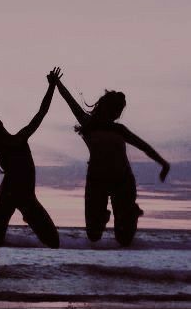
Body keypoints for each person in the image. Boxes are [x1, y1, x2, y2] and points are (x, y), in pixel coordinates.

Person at [55, 73, 170, 246]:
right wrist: (57, 83)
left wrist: (163, 164)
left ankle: (131, 213)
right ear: (105, 108)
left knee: (123, 240)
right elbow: (70, 102)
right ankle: (104, 216)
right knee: (93, 235)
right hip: (97, 181)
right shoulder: (89, 125)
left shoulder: (120, 130)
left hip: (122, 181)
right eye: (115, 110)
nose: (117, 114)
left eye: (119, 111)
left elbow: (143, 146)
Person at [0, 69, 61, 250]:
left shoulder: (18, 138)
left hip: (26, 197)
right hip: (9, 194)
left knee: (54, 241)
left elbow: (41, 113)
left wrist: (52, 87)